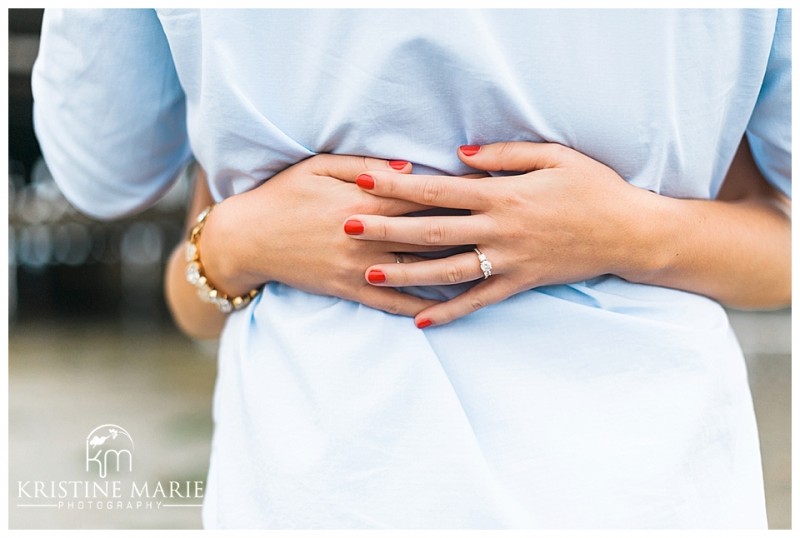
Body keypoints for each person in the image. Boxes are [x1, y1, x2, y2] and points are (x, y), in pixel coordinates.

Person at [33, 8, 790, 529]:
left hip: (323, 485)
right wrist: (634, 233)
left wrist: (232, 243)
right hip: (648, 485)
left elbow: (102, 168)